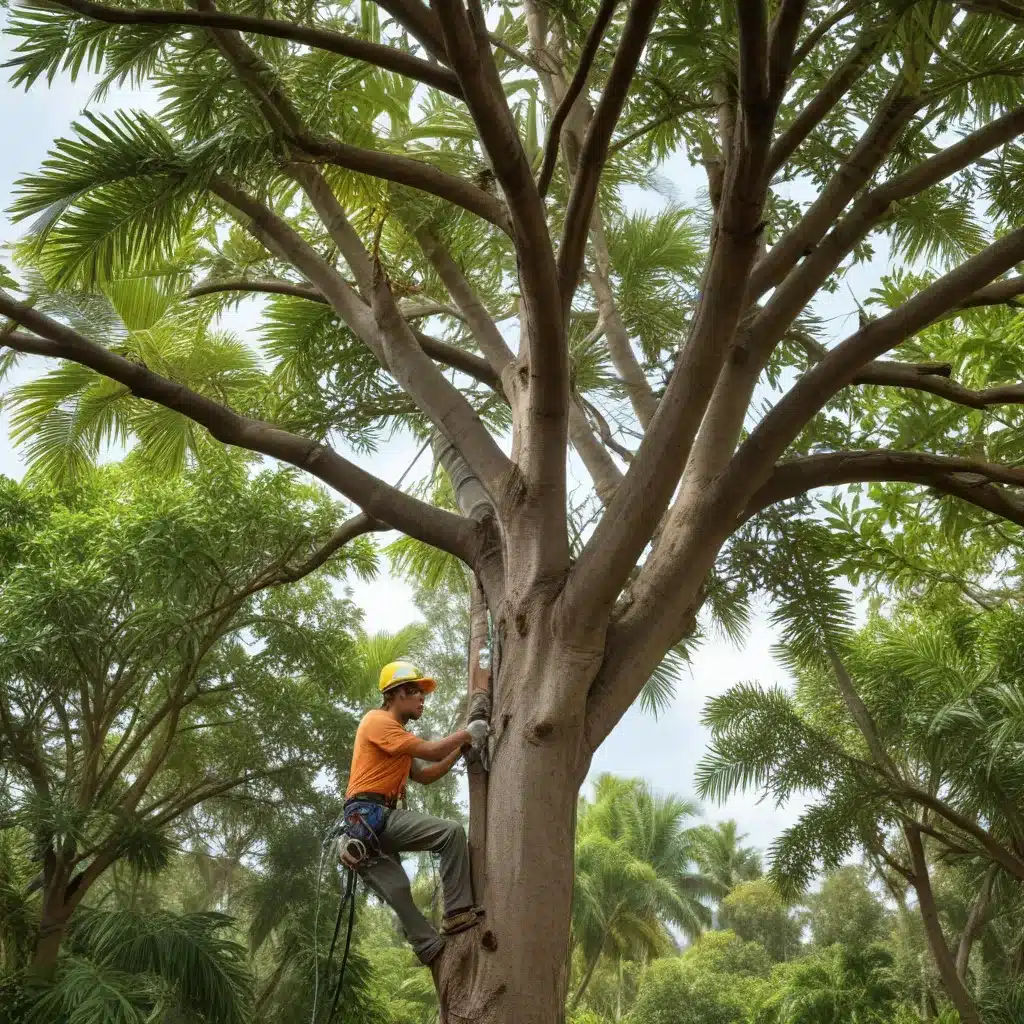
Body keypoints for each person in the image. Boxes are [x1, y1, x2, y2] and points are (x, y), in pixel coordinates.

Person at [342, 660, 488, 964]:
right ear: (396, 694)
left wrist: (460, 750)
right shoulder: (378, 722)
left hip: (367, 820)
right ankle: (459, 913)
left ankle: (428, 947)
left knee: (397, 887)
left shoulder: (396, 738)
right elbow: (432, 750)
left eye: (422, 693)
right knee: (450, 833)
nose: (422, 698)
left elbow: (426, 774)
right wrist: (467, 735)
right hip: (370, 813)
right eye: (415, 692)